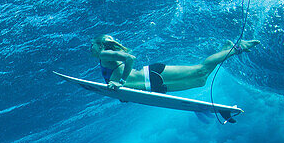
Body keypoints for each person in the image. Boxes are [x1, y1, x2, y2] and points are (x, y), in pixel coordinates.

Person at [89, 34, 259, 93]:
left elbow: (130, 59)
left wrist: (120, 82)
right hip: (151, 87)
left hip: (152, 76)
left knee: (200, 70)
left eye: (92, 45)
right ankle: (225, 49)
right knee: (201, 80)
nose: (91, 49)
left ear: (100, 45)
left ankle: (237, 48)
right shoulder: (104, 58)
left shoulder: (104, 54)